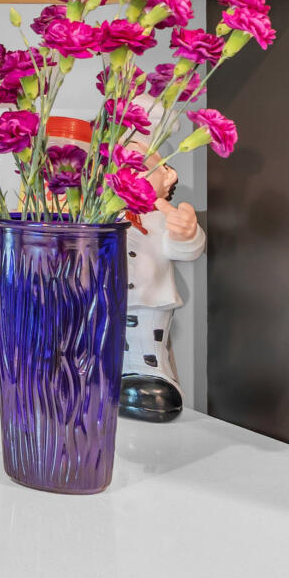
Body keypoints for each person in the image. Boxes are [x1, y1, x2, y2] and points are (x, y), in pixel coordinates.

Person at [123, 146, 203, 423]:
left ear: (167, 176)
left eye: (141, 164)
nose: (129, 170)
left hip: (150, 303)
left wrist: (187, 233)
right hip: (104, 304)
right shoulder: (98, 215)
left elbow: (187, 249)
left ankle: (148, 373)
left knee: (147, 340)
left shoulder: (163, 218)